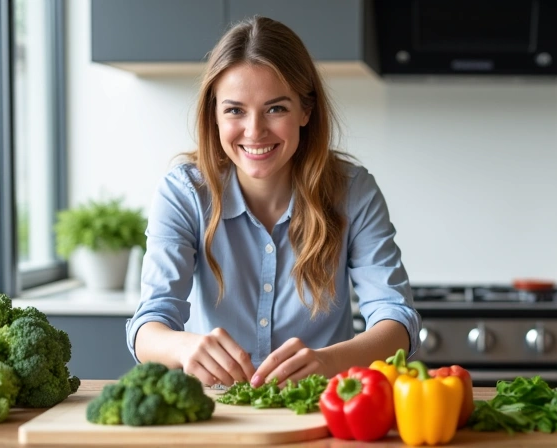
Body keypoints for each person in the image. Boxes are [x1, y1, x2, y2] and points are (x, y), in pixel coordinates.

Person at [125, 16, 421, 388]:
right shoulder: (184, 193)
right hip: (218, 412)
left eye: (276, 108)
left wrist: (328, 362)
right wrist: (185, 348)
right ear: (214, 115)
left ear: (305, 110)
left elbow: (397, 320)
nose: (254, 131)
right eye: (235, 110)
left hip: (323, 407)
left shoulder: (353, 191)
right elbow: (148, 324)